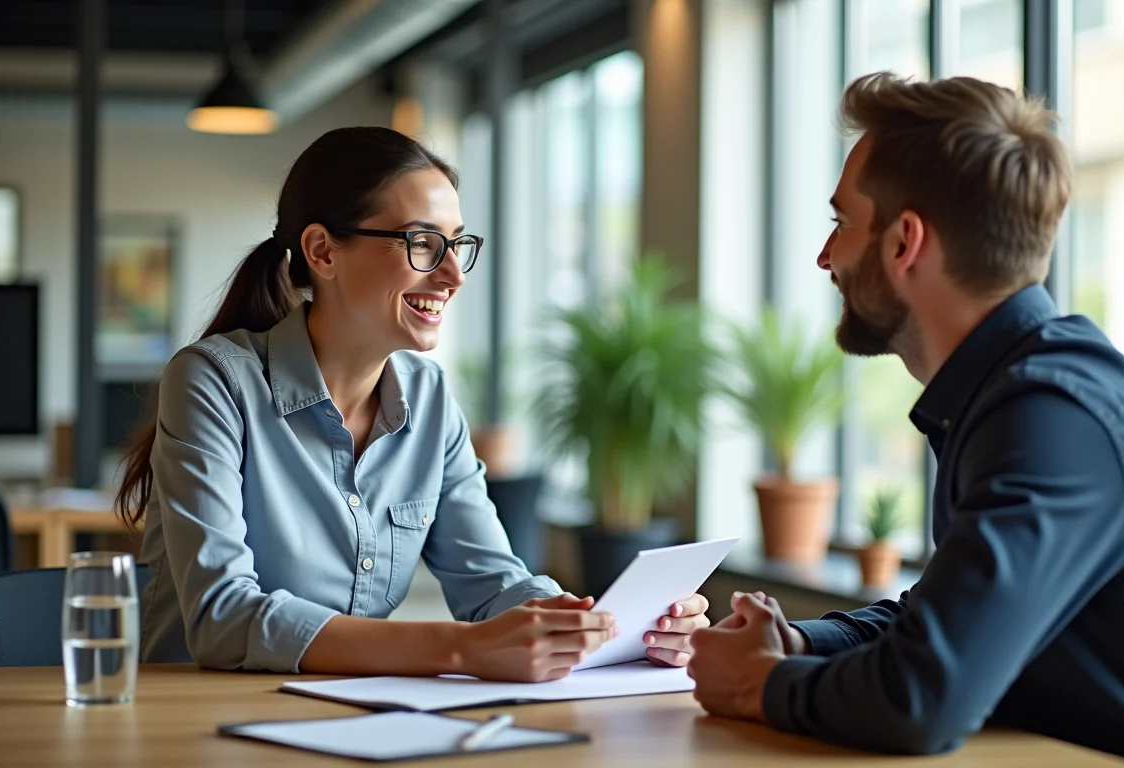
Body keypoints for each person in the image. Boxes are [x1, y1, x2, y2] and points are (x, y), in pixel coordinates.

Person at [686, 73, 1124, 766]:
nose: (825, 256)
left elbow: (922, 697)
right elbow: (938, 621)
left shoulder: (1052, 412)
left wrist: (756, 682)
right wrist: (803, 644)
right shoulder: (1006, 392)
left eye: (841, 223)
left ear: (905, 243)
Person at [115, 127, 709, 680]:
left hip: (352, 720)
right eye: (424, 243)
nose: (454, 274)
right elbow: (223, 618)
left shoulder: (428, 398)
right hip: (195, 722)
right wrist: (459, 648)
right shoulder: (213, 382)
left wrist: (602, 625)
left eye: (458, 245)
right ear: (322, 252)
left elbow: (493, 584)